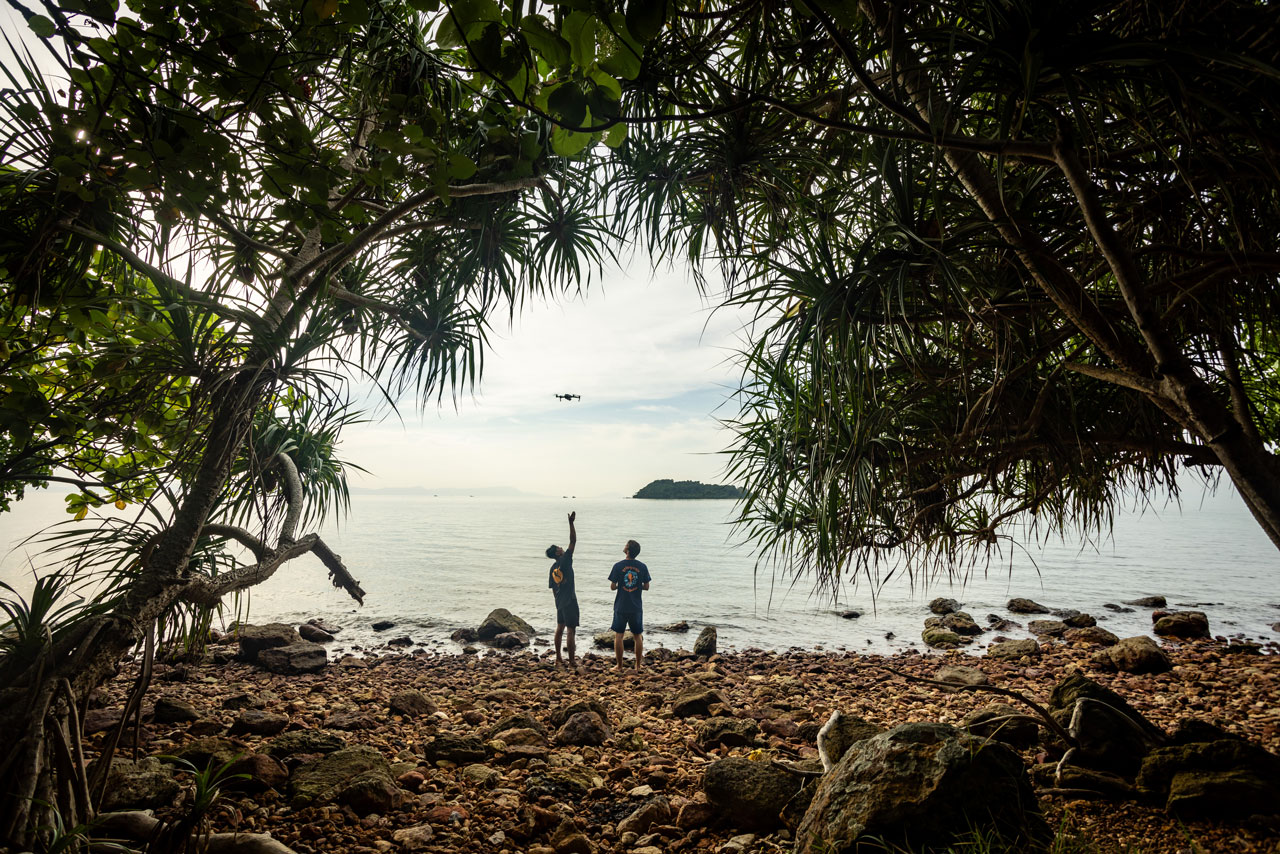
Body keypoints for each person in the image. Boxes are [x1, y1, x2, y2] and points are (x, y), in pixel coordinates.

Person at [608, 539, 650, 671]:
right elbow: (647, 587)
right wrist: (637, 586)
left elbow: (613, 587)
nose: (624, 546)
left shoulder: (618, 566)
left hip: (621, 605)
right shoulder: (642, 567)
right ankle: (637, 666)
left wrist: (621, 585)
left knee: (619, 635)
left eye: (625, 545)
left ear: (628, 550)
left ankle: (619, 666)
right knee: (637, 636)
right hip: (636, 606)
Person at [545, 511, 578, 669]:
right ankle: (571, 661)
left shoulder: (552, 568)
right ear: (558, 552)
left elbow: (553, 589)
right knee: (571, 630)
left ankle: (559, 658)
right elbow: (573, 541)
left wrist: (558, 602)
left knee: (560, 628)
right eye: (560, 547)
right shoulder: (565, 561)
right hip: (570, 601)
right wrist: (571, 523)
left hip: (559, 602)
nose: (562, 547)